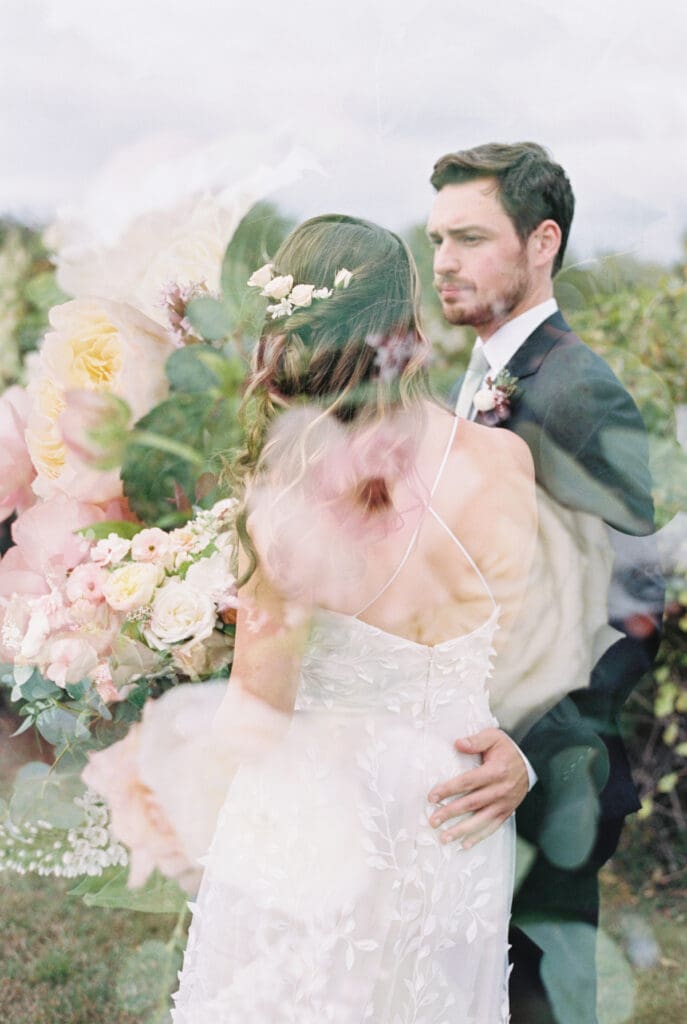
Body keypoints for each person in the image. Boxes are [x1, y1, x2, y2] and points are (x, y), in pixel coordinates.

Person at [171, 214, 538, 1022]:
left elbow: (256, 715)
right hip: (457, 805)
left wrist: (175, 665)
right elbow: (512, 652)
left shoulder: (292, 501)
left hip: (317, 818)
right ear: (407, 326)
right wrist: (517, 750)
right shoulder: (505, 463)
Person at [425, 142, 663, 1023]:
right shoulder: (483, 371)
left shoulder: (579, 391)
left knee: (542, 1000)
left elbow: (638, 600)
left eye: (471, 237)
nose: (444, 261)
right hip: (477, 744)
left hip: (550, 767)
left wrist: (533, 749)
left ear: (540, 243)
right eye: (437, 238)